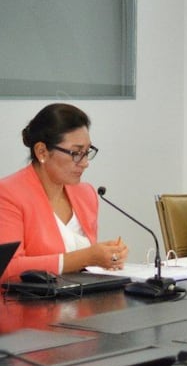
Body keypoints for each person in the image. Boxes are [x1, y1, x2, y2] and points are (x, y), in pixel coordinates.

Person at [0, 103, 129, 283]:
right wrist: (87, 257)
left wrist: (108, 256)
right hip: (30, 300)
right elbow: (8, 268)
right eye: (76, 153)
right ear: (42, 152)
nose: (85, 162)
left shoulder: (86, 194)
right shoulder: (8, 194)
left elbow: (85, 266)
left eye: (87, 152)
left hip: (82, 296)